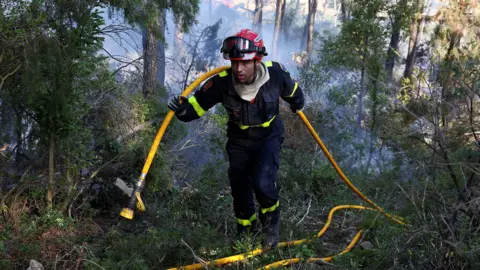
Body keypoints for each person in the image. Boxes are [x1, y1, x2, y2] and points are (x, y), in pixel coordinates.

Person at [168, 28, 305, 249]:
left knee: (262, 182)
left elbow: (295, 94)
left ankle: (270, 227)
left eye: (245, 63)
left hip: (268, 136)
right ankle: (246, 231)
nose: (238, 69)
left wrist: (297, 103)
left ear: (257, 60)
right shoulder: (221, 83)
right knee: (240, 187)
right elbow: (195, 108)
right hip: (239, 140)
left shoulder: (275, 75)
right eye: (234, 62)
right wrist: (182, 110)